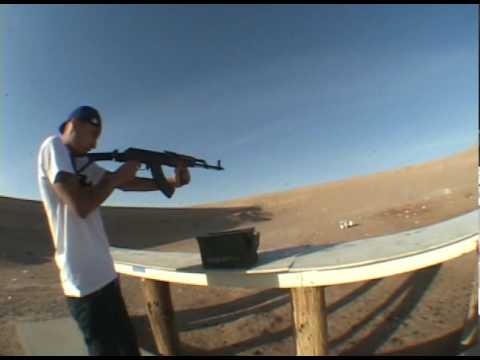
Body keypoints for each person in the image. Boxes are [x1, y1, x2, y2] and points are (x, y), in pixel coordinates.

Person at [37, 105, 191, 356]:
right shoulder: (52, 146)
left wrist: (173, 181)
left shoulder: (83, 163)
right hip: (84, 285)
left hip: (106, 276)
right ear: (74, 125)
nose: (95, 145)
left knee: (129, 349)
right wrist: (116, 178)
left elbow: (126, 185)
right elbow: (81, 205)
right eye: (93, 135)